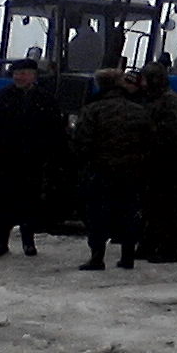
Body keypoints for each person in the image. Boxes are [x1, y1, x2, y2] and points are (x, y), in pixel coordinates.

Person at [0, 58, 65, 259]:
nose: (19, 77)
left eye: (24, 73)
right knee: (3, 202)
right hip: (6, 158)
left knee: (30, 201)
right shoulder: (1, 97)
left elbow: (55, 131)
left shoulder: (46, 100)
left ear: (34, 76)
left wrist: (53, 155)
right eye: (16, 73)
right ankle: (1, 243)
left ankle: (28, 242)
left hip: (33, 159)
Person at [70, 68, 154, 270]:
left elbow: (81, 142)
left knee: (97, 215)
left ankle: (97, 258)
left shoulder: (92, 110)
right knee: (128, 212)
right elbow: (150, 142)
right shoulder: (139, 110)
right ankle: (127, 257)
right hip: (131, 171)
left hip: (100, 171)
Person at [136, 61, 177, 263]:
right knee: (151, 205)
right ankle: (149, 243)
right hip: (153, 160)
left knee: (166, 207)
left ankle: (168, 248)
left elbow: (171, 134)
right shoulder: (153, 99)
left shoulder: (168, 101)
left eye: (145, 79)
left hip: (166, 162)